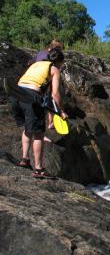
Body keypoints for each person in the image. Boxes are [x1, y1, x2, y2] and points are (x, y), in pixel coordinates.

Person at [11, 47, 68, 179]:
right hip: (31, 96)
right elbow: (55, 94)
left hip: (16, 94)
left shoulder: (36, 64)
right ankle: (39, 168)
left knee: (27, 128)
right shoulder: (54, 69)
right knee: (38, 133)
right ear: (59, 62)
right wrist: (60, 111)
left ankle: (24, 160)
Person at [28, 39, 64, 130]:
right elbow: (54, 93)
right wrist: (61, 110)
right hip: (44, 78)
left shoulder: (41, 52)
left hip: (32, 77)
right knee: (51, 96)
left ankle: (49, 121)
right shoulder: (52, 56)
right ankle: (51, 122)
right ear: (56, 49)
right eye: (60, 49)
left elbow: (30, 62)